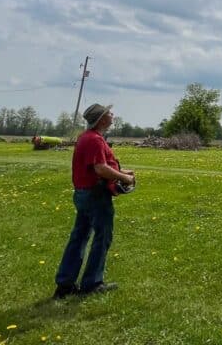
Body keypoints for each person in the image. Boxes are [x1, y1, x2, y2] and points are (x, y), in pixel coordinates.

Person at [53, 103, 135, 299]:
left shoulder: (86, 138)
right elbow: (100, 169)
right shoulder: (95, 140)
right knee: (102, 237)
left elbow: (97, 166)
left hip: (83, 193)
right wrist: (125, 179)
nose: (112, 115)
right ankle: (92, 283)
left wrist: (121, 171)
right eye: (109, 113)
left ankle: (65, 285)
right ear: (101, 119)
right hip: (95, 195)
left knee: (79, 237)